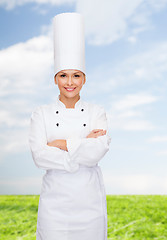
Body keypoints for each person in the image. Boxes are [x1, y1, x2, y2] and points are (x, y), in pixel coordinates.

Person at [28, 12, 111, 240]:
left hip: (89, 205)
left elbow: (97, 151)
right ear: (55, 79)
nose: (70, 82)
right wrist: (81, 147)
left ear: (84, 79)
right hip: (55, 206)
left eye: (76, 75)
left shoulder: (97, 112)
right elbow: (39, 156)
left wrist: (60, 144)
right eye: (63, 75)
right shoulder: (41, 114)